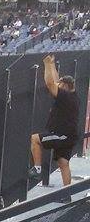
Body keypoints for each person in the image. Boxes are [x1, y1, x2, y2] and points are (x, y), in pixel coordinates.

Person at [30, 54, 80, 187]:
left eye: (61, 84)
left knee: (34, 139)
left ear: (66, 86)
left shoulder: (66, 97)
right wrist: (52, 64)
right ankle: (67, 193)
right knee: (63, 163)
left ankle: (37, 168)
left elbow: (50, 83)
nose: (58, 85)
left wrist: (46, 64)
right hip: (70, 135)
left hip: (61, 134)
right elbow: (56, 81)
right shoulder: (71, 94)